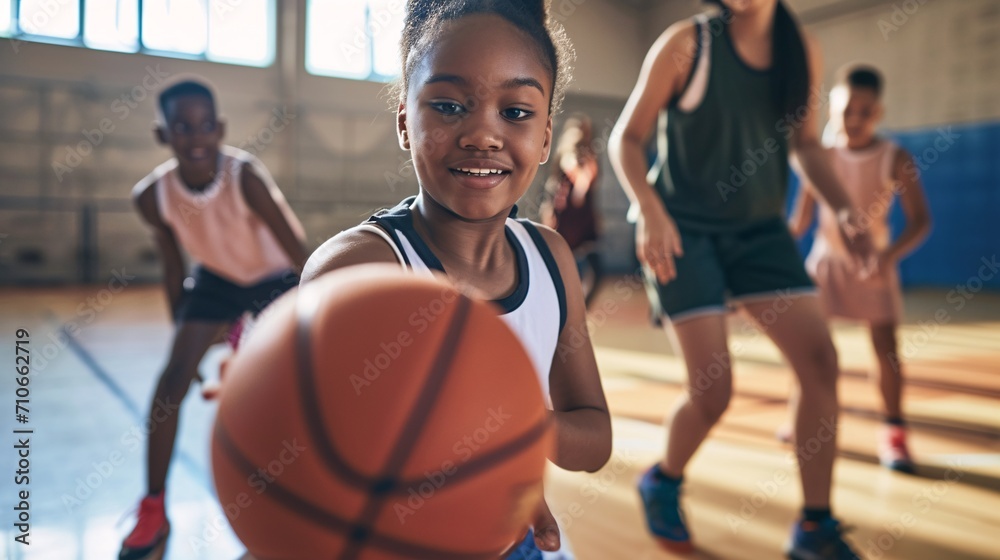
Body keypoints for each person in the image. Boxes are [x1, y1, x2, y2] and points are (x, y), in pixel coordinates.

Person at [301, 2, 612, 558]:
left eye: (516, 112)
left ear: (545, 139)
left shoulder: (551, 258)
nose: (482, 135)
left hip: (513, 536)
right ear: (404, 122)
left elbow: (593, 438)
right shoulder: (357, 270)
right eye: (448, 106)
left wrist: (514, 436)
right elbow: (309, 462)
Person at [609, 1, 875, 558]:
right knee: (713, 391)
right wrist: (650, 210)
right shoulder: (687, 44)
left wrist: (846, 208)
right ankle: (664, 478)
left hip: (759, 232)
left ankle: (814, 526)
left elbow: (805, 145)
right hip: (683, 231)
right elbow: (626, 140)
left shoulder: (799, 49)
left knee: (820, 361)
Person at [119, 79, 308, 560]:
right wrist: (183, 336)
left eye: (206, 126)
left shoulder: (244, 175)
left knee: (285, 392)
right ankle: (154, 507)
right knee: (171, 383)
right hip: (217, 281)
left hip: (276, 279)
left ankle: (294, 502)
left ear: (220, 128)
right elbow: (172, 266)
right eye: (183, 127)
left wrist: (313, 315)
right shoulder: (152, 197)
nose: (196, 136)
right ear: (164, 135)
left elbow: (298, 250)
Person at [787, 65, 932, 473]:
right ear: (831, 108)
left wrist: (888, 256)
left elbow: (921, 220)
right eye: (847, 109)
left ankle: (894, 433)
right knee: (808, 348)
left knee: (886, 350)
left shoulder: (895, 157)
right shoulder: (821, 157)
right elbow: (799, 222)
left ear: (879, 112)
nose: (854, 119)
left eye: (865, 111)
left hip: (874, 265)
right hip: (825, 263)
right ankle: (797, 416)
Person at [541, 114, 603, 308]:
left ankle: (575, 310)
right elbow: (575, 177)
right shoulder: (569, 154)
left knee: (592, 270)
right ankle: (564, 310)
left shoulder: (586, 154)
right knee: (568, 270)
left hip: (579, 222)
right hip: (568, 221)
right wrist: (582, 181)